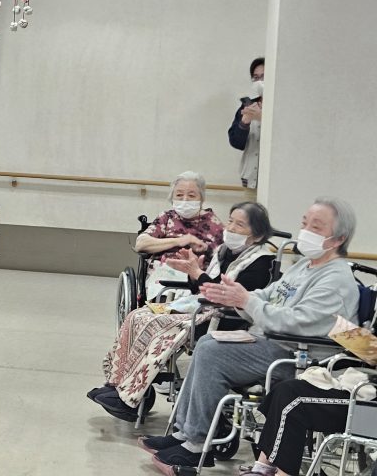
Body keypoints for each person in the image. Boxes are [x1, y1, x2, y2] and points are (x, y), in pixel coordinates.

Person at [142, 197, 360, 472]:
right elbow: (267, 296)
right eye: (305, 223)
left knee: (212, 352)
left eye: (316, 227)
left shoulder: (336, 279)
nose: (305, 231)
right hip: (272, 341)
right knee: (208, 342)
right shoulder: (305, 266)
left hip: (298, 355)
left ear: (338, 239)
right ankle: (184, 433)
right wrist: (235, 296)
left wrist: (247, 301)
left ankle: (196, 444)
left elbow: (297, 322)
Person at [90, 202, 275, 421]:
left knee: (155, 325)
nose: (231, 228)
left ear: (257, 234)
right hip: (203, 306)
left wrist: (197, 273)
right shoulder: (226, 252)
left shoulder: (261, 262)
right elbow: (204, 286)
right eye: (231, 221)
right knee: (136, 316)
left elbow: (225, 296)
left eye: (240, 225)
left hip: (226, 318)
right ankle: (117, 384)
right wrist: (192, 271)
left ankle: (130, 398)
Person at [241, 368, 376, 476]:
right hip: (359, 381)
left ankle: (282, 473)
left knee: (294, 400)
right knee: (285, 389)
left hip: (369, 403)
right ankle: (262, 469)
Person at [134, 171, 225, 300]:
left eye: (191, 195)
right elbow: (141, 244)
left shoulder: (213, 223)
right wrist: (179, 241)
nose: (185, 200)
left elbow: (225, 255)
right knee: (164, 301)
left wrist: (205, 250)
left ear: (201, 198)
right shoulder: (167, 217)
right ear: (172, 197)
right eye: (179, 195)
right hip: (166, 272)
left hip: (198, 276)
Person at [228, 57, 265, 189]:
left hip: (275, 181)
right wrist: (244, 123)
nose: (259, 81)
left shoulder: (283, 106)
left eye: (264, 77)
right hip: (250, 180)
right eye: (256, 77)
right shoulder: (248, 105)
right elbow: (236, 143)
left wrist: (262, 118)